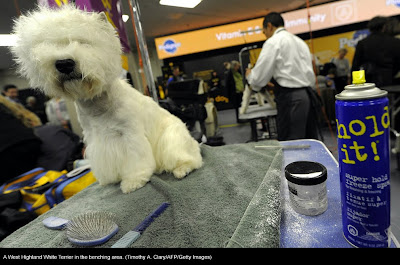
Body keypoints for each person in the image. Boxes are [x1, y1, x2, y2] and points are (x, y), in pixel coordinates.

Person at [245, 12, 317, 141]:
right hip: (308, 96)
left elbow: (259, 78)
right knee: (309, 141)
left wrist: (251, 76)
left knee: (292, 142)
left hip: (291, 98)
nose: (265, 35)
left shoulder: (273, 42)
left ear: (269, 26)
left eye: (264, 31)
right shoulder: (299, 42)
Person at [352, 16, 400, 87]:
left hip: (370, 83)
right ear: (384, 27)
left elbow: (355, 66)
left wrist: (357, 85)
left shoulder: (362, 43)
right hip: (391, 81)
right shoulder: (395, 42)